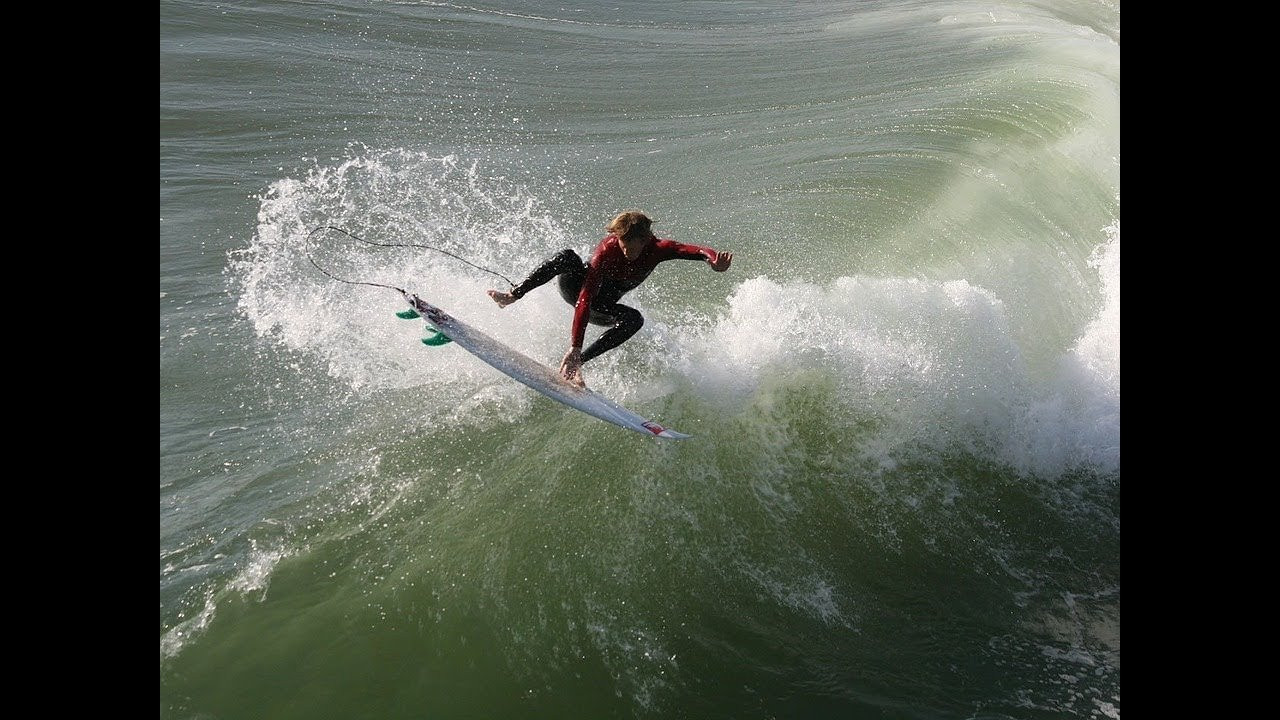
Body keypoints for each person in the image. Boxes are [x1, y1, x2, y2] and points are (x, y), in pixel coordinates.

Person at [488, 210, 733, 387]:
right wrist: (575, 344)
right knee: (567, 257)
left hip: (603, 306)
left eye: (630, 247)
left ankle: (578, 364)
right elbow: (584, 298)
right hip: (576, 289)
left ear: (645, 240)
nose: (625, 252)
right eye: (621, 245)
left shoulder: (658, 249)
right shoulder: (607, 250)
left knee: (634, 319)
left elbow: (693, 250)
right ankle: (513, 295)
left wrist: (712, 260)